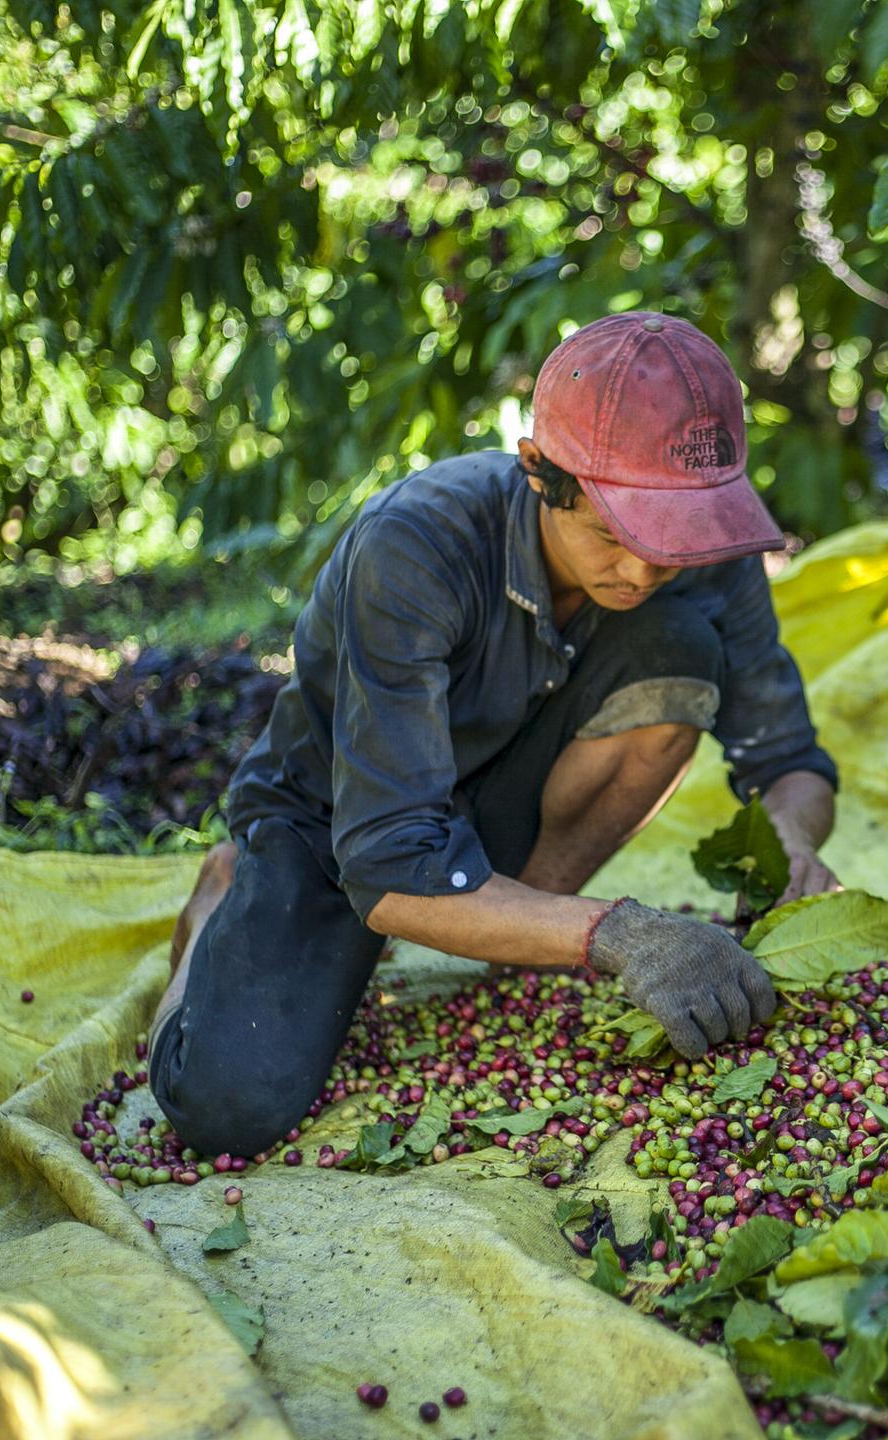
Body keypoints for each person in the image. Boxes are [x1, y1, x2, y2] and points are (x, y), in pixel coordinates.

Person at [149, 312, 841, 1157]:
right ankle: (228, 889)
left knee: (679, 648)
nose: (644, 571)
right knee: (225, 1109)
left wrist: (791, 845)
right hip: (341, 822)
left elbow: (788, 761)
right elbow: (392, 864)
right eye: (614, 537)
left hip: (500, 793)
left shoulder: (705, 541)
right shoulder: (417, 544)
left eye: (674, 547)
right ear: (538, 473)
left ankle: (511, 926)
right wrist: (618, 934)